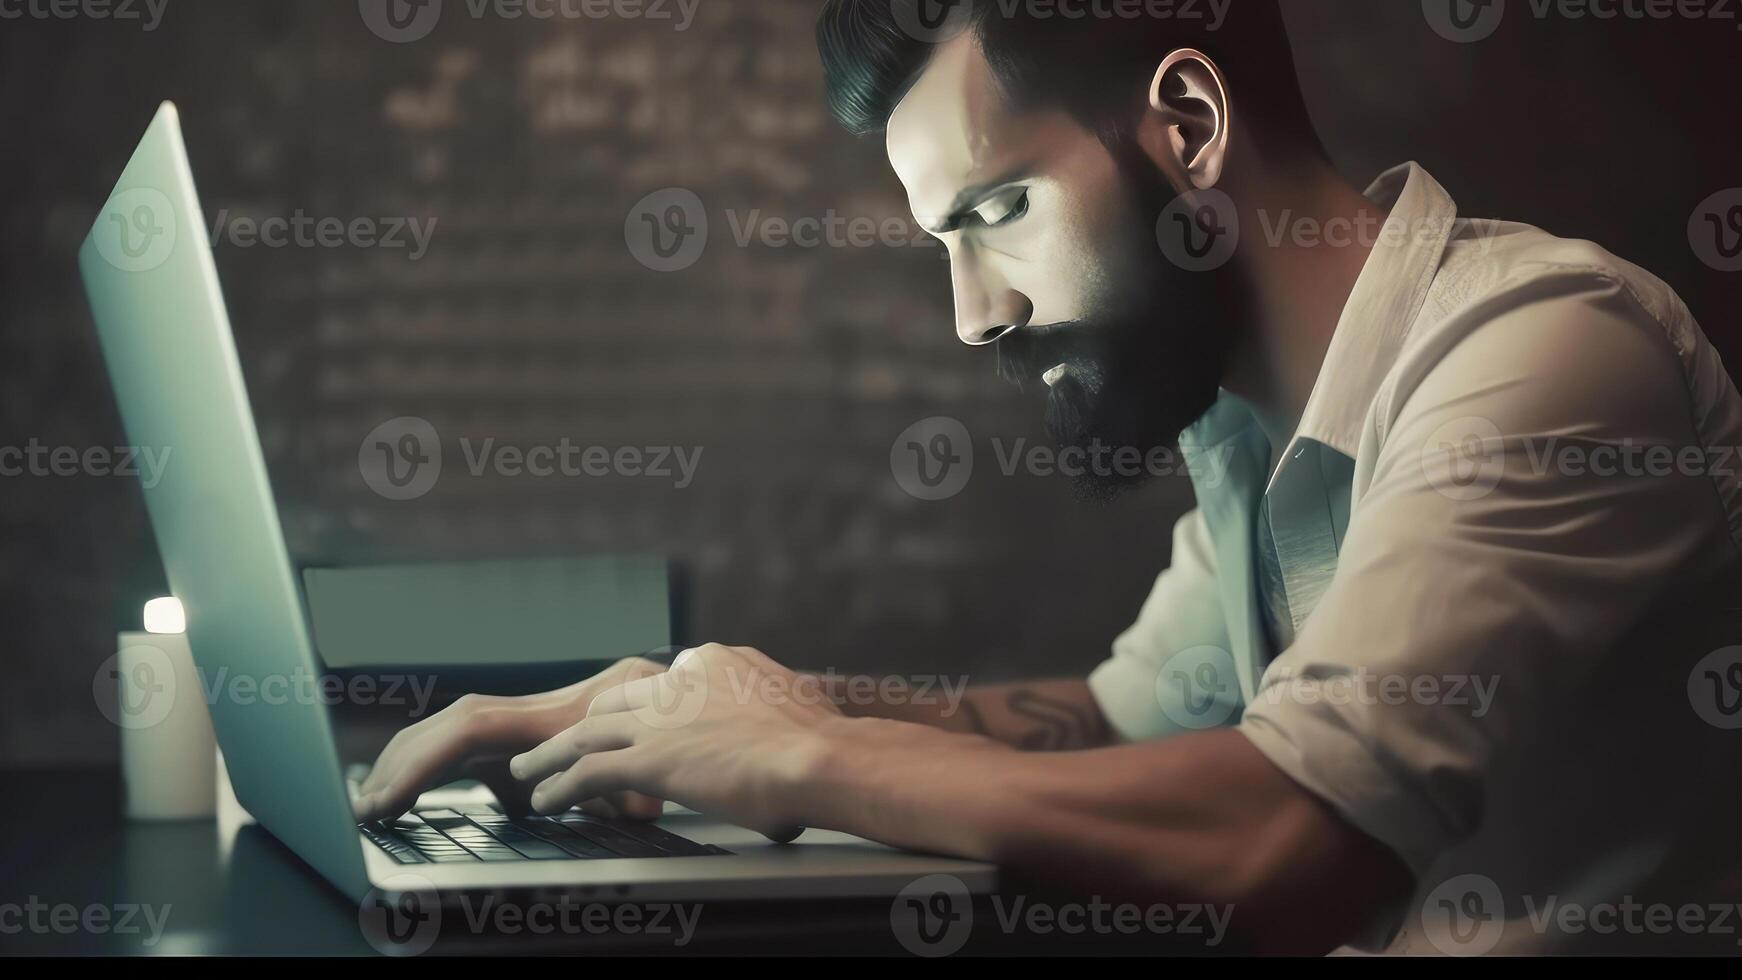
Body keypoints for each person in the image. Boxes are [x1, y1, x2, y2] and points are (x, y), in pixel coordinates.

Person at [355, 1, 1742, 953]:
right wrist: (701, 705)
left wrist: (800, 755)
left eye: (997, 212)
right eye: (939, 241)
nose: (971, 315)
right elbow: (1118, 729)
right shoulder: (1248, 421)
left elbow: (1279, 843)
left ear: (1187, 125)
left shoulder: (1546, 353)